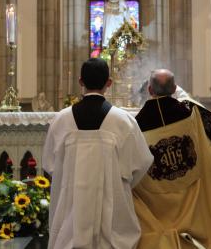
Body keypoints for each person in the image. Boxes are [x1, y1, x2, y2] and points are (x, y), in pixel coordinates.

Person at [42, 58, 154, 249]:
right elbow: (141, 164)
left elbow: (50, 167)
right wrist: (119, 182)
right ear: (109, 83)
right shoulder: (123, 121)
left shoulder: (61, 120)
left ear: (80, 82)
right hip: (112, 221)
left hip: (70, 218)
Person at [133, 69, 211, 249]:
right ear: (174, 89)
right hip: (190, 201)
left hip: (155, 202)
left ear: (149, 90)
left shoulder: (136, 123)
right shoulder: (190, 112)